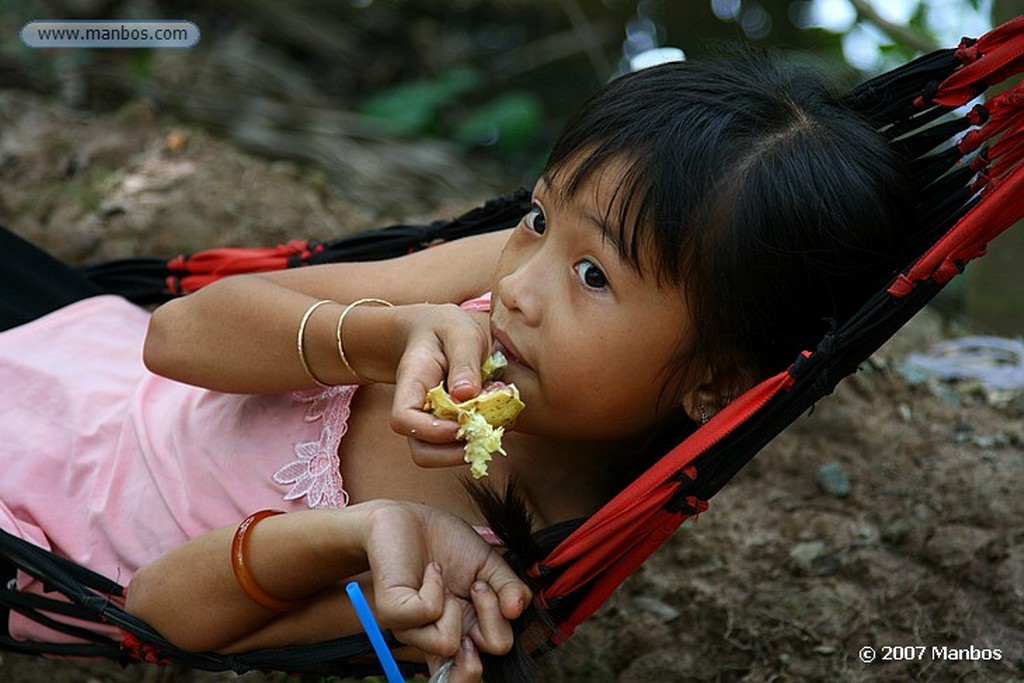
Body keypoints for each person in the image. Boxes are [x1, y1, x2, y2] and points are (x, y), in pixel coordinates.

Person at [2, 44, 928, 682]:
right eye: (537, 216)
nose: (523, 281)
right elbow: (175, 338)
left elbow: (157, 613)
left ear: (714, 384)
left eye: (593, 273)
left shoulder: (482, 570)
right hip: (76, 359)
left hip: (41, 531)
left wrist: (360, 530)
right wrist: (384, 330)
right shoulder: (493, 280)